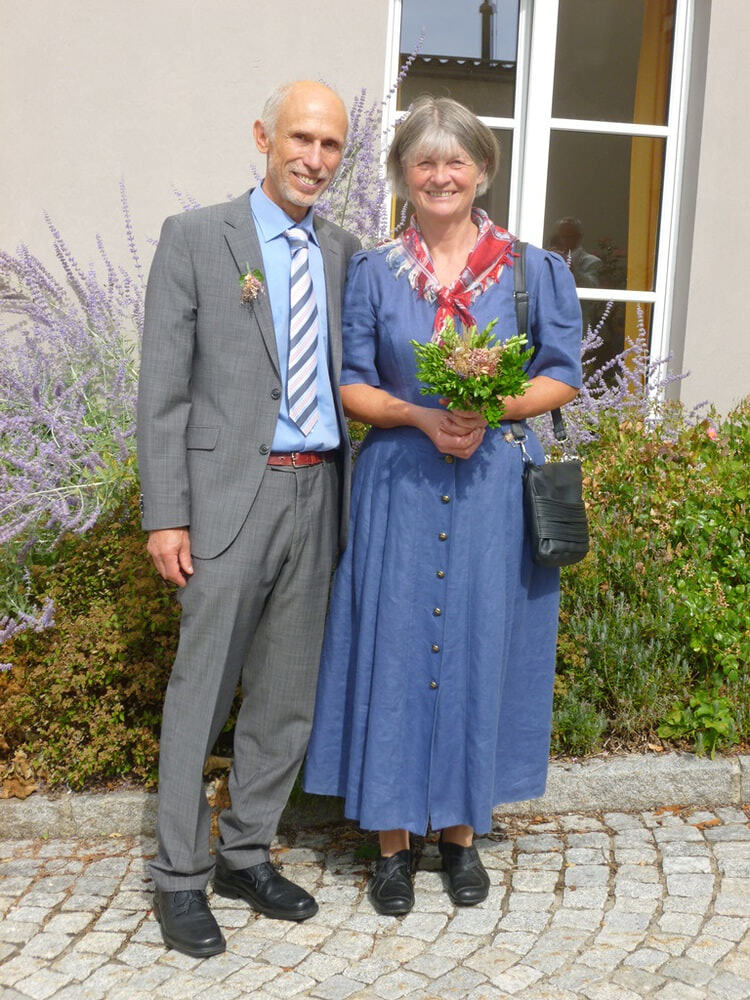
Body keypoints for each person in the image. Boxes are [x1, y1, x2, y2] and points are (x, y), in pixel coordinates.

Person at [303, 96, 582, 915]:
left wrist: (491, 407)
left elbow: (562, 372)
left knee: (479, 645)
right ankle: (391, 845)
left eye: (455, 160)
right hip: (399, 482)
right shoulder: (373, 272)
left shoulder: (532, 270)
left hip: (494, 486)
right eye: (423, 161)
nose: (440, 175)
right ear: (402, 175)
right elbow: (351, 381)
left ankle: (461, 836)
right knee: (393, 647)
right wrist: (422, 415)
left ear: (482, 170)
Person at [136, 80, 360, 957]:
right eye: (301, 138)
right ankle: (179, 877)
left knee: (284, 696)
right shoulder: (197, 238)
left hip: (318, 492)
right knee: (201, 692)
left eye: (331, 145)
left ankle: (245, 853)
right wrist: (167, 515)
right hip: (230, 498)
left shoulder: (344, 252)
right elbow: (163, 390)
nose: (314, 159)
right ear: (264, 137)